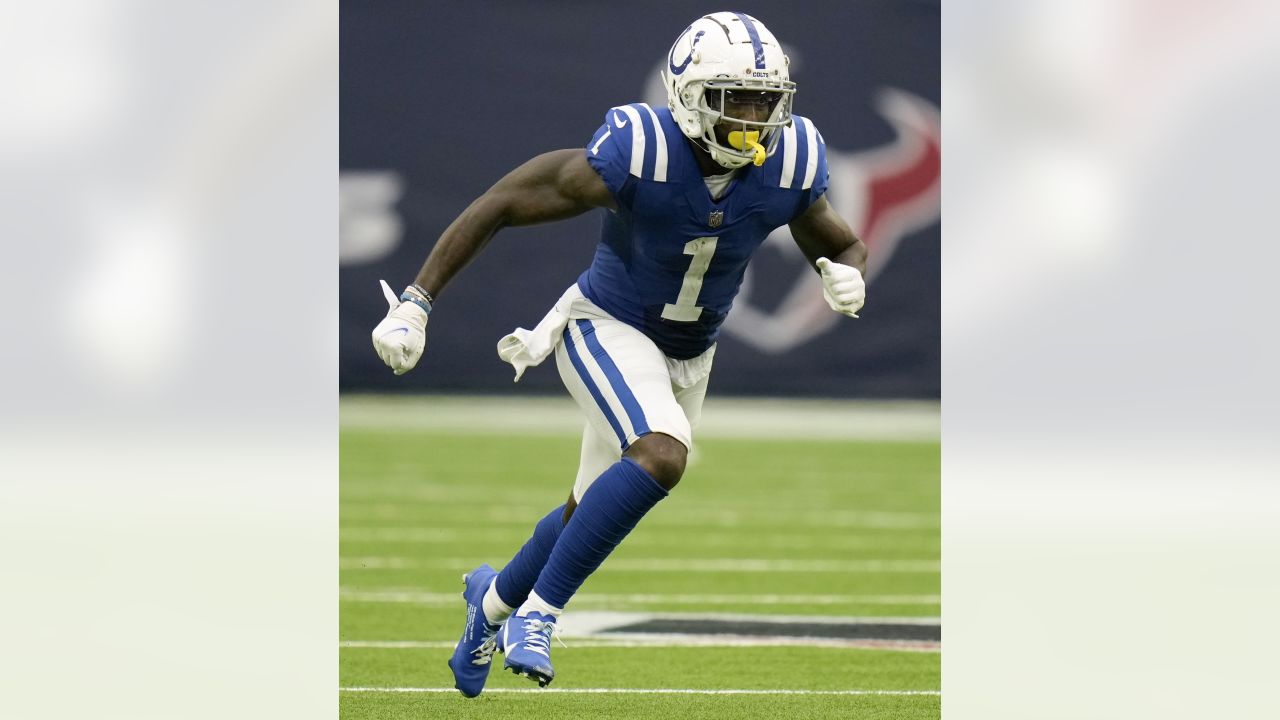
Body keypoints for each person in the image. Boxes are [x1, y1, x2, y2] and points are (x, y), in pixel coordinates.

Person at [370, 11, 867, 696]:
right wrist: (416, 302)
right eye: (734, 100)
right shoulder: (642, 152)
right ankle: (538, 616)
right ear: (688, 98)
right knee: (663, 452)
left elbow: (835, 240)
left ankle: (488, 607)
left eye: (764, 100)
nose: (753, 118)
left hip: (693, 351)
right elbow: (503, 202)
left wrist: (845, 270)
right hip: (606, 324)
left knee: (585, 510)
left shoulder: (788, 160)